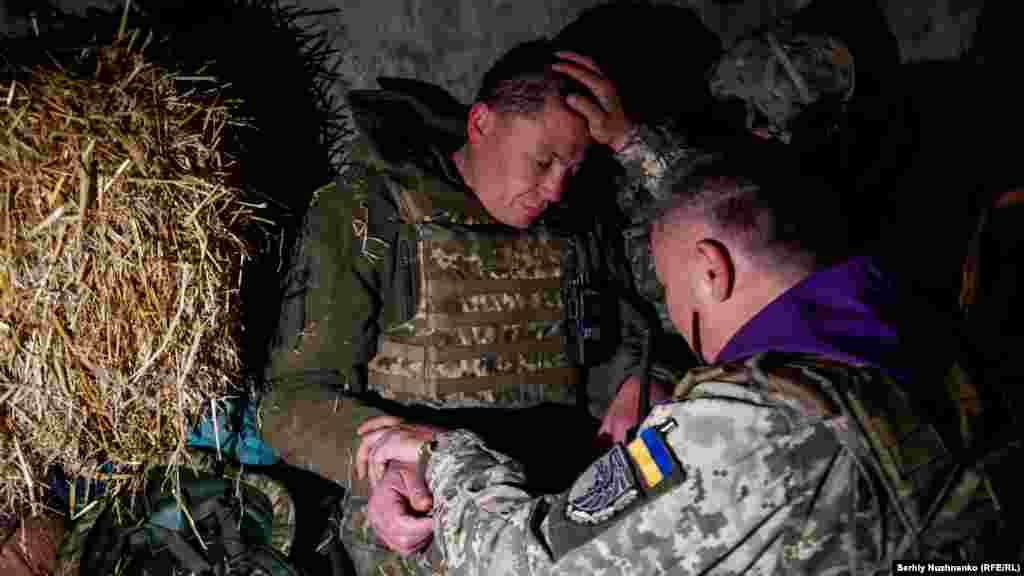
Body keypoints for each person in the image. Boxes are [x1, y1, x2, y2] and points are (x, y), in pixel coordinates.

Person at [352, 152, 1008, 574]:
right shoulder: (935, 344)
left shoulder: (757, 424)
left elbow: (534, 566)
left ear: (710, 269)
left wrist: (442, 456)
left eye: (669, 289)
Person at [260, 39, 696, 574]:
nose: (556, 188)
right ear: (482, 124)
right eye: (542, 161)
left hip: (556, 492)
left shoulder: (576, 222)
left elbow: (627, 322)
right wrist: (381, 454)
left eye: (571, 169)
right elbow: (288, 403)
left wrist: (636, 382)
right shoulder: (371, 214)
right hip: (427, 498)